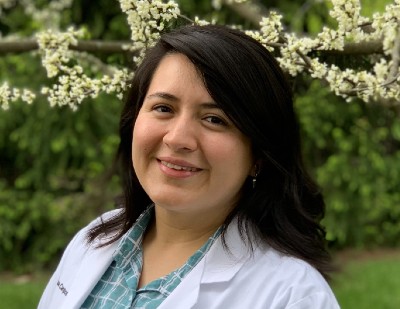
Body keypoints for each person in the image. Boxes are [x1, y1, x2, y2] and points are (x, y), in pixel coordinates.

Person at [38, 24, 340, 309]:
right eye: (163, 108)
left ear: (259, 156)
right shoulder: (94, 240)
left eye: (214, 119)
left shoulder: (292, 295)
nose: (178, 138)